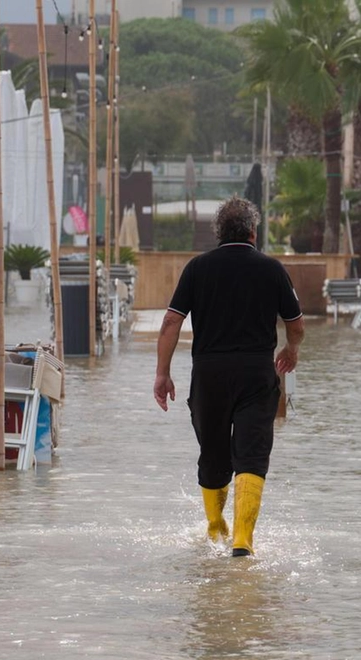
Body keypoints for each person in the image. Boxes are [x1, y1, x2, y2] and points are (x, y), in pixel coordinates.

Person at [153, 197, 304, 557]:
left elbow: (172, 321)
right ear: (254, 231)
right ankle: (243, 541)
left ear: (218, 232)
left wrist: (163, 374)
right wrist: (290, 350)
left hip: (209, 374)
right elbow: (295, 324)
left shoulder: (197, 268)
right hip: (255, 372)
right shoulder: (272, 269)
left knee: (213, 453)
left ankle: (215, 527)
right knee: (251, 455)